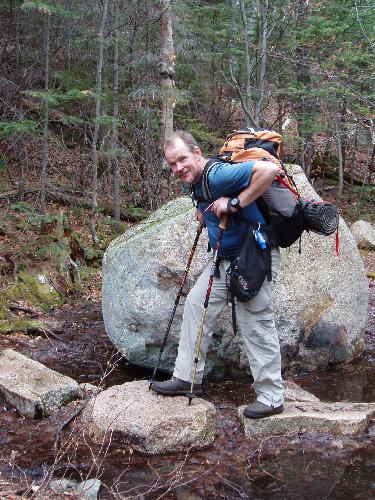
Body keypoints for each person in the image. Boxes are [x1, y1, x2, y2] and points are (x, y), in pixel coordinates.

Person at [151, 130, 284, 419]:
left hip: (253, 258)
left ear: (197, 153)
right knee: (197, 305)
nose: (178, 168)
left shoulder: (218, 175)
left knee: (256, 322)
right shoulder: (195, 183)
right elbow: (208, 205)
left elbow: (270, 170)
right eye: (172, 164)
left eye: (182, 160)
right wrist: (204, 214)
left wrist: (235, 204)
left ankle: (272, 397)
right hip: (223, 260)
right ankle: (187, 377)